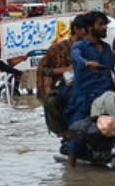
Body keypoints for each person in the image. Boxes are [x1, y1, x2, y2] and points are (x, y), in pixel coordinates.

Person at [37, 14, 88, 144]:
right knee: (54, 101)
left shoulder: (93, 47)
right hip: (65, 88)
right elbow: (43, 69)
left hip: (88, 86)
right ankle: (65, 133)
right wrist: (62, 70)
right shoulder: (58, 48)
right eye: (85, 29)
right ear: (76, 29)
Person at [65, 10, 115, 127]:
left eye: (105, 24)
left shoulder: (107, 48)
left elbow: (112, 70)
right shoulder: (79, 46)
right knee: (78, 136)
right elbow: (76, 56)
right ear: (89, 27)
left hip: (107, 97)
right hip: (85, 100)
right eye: (100, 24)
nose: (104, 27)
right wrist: (86, 63)